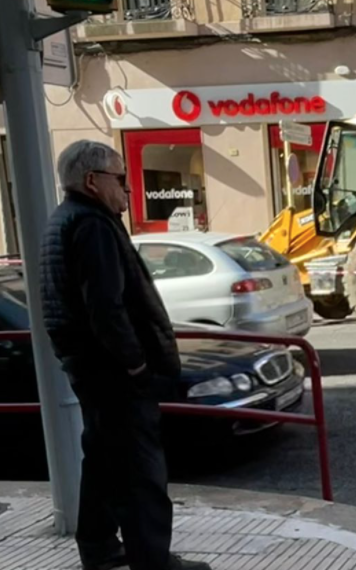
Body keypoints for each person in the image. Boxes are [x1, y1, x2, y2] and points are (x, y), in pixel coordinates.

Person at [40, 141, 211, 570]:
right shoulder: (92, 225)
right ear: (93, 181)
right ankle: (151, 560)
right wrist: (136, 363)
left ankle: (98, 547)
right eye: (121, 179)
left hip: (90, 368)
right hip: (113, 372)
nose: (129, 191)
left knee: (101, 459)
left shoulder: (67, 219)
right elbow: (106, 307)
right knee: (140, 470)